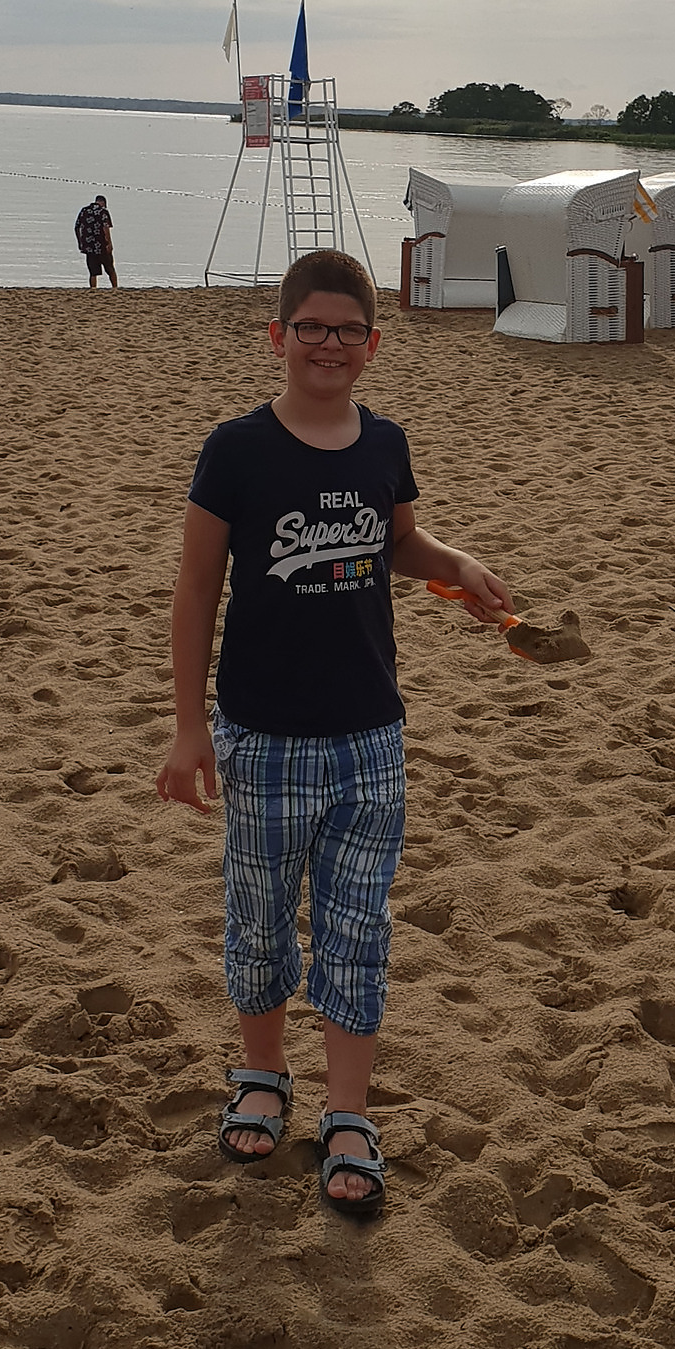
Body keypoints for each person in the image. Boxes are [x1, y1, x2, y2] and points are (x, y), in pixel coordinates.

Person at [156, 250, 511, 1217]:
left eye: (347, 331)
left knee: (357, 928)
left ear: (372, 346)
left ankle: (348, 1113)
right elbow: (197, 587)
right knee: (261, 919)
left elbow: (396, 543)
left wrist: (457, 565)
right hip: (262, 735)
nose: (328, 344)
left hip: (370, 737)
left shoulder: (384, 443)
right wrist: (189, 728)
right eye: (310, 327)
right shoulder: (236, 450)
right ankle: (262, 1075)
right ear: (278, 336)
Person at [74, 194, 118, 289]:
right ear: (103, 203)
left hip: (89, 246)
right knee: (110, 269)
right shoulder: (103, 212)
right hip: (102, 245)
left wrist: (80, 242)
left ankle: (93, 289)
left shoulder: (84, 211)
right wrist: (109, 243)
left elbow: (77, 227)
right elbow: (106, 228)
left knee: (93, 272)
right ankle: (115, 288)